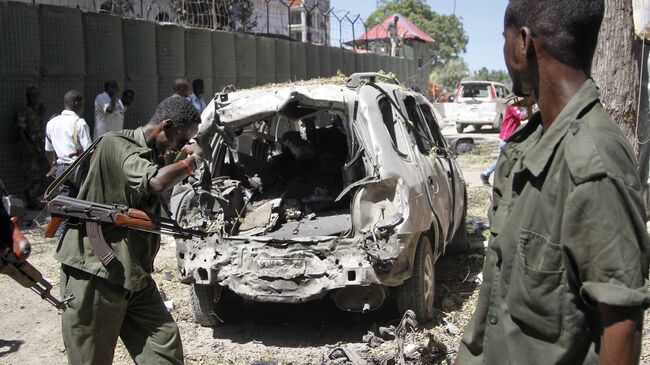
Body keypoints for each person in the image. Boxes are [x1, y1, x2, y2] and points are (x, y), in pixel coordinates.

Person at [456, 1, 649, 364]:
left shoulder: (592, 164)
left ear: (523, 43)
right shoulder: (529, 146)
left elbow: (622, 325)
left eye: (505, 38)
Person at [55, 96, 203, 365]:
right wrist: (190, 162)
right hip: (95, 275)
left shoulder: (154, 155)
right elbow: (155, 182)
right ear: (166, 126)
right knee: (90, 359)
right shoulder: (117, 143)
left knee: (164, 348)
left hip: (134, 275)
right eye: (181, 141)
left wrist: (180, 157)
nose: (181, 148)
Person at [44, 90, 92, 199]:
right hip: (78, 169)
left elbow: (48, 151)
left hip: (61, 169)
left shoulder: (51, 123)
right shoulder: (80, 123)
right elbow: (89, 152)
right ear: (77, 103)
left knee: (64, 201)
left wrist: (53, 167)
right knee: (84, 201)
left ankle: (63, 216)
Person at [480, 99, 525, 186]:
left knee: (507, 159)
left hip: (511, 137)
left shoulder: (516, 107)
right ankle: (486, 174)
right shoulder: (512, 107)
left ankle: (487, 174)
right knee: (502, 160)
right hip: (506, 137)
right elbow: (522, 116)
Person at [16, 86, 49, 209]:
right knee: (33, 175)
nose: (36, 98)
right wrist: (28, 145)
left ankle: (35, 199)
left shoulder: (39, 110)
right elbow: (21, 129)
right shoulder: (24, 111)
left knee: (40, 174)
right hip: (30, 147)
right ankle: (31, 200)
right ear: (28, 97)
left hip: (39, 147)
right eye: (33, 96)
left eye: (37, 96)